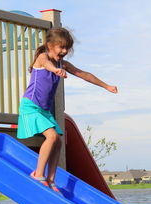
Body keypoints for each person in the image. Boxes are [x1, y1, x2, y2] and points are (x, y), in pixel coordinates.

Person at [17, 27, 117, 192]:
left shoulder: (62, 63)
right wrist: (56, 70)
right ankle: (38, 174)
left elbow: (83, 74)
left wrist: (106, 86)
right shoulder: (43, 58)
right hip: (31, 107)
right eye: (61, 47)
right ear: (50, 45)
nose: (64, 51)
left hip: (43, 110)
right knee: (52, 136)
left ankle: (51, 179)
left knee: (58, 142)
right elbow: (47, 65)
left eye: (66, 48)